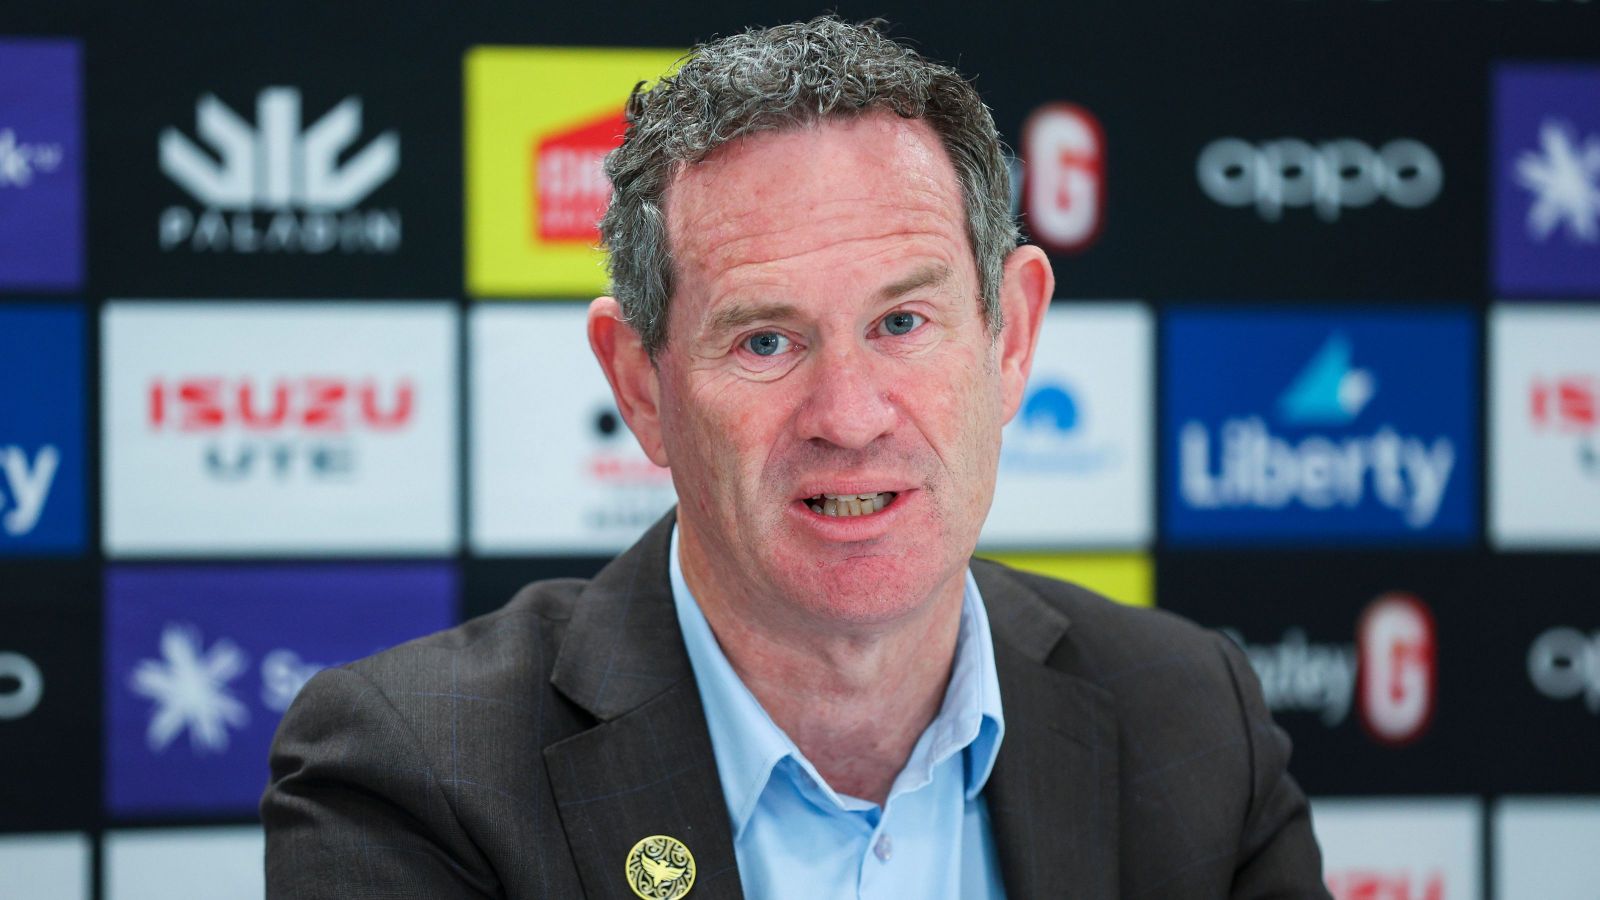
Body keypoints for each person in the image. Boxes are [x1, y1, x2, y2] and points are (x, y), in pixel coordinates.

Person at [263, 17, 1328, 899]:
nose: (851, 415)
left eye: (903, 323)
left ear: (1010, 338)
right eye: (765, 340)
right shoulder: (413, 773)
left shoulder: (1192, 715)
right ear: (641, 383)